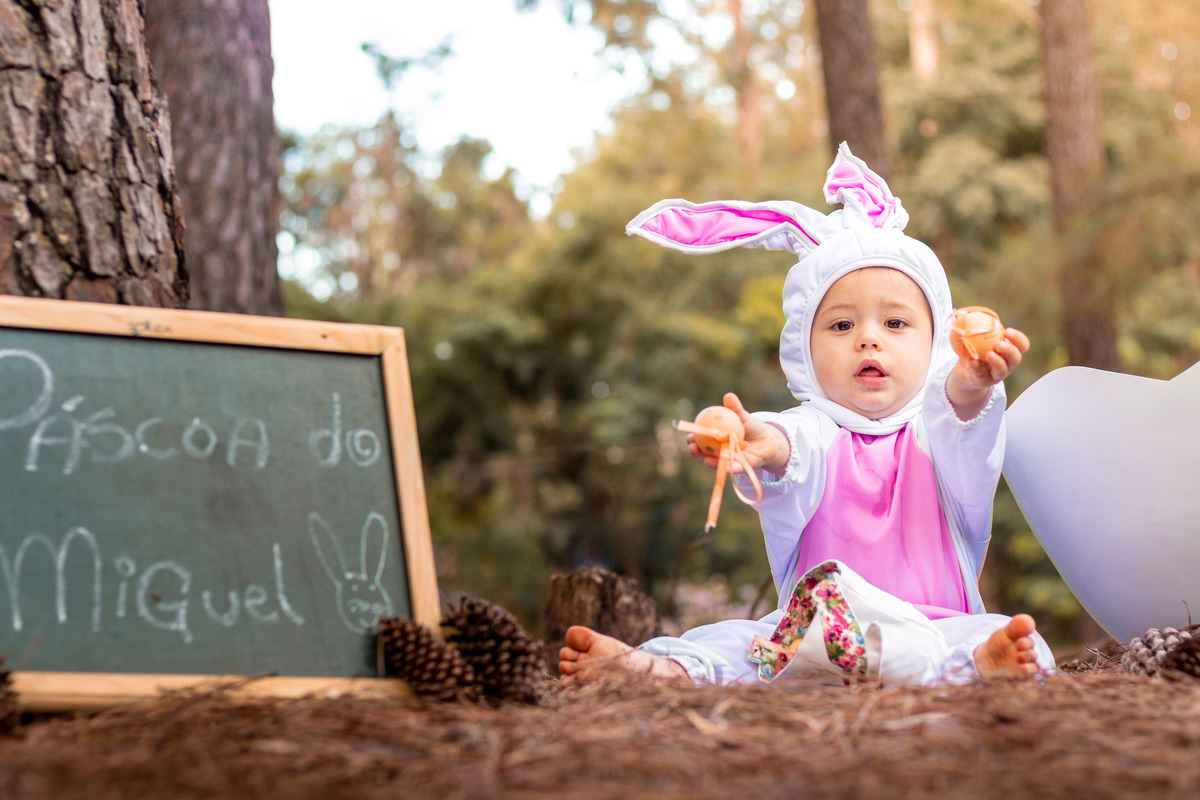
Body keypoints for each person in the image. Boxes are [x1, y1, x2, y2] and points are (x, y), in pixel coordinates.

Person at [559, 144, 1054, 688]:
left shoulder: (935, 433)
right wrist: (746, 437)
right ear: (803, 349)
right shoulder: (816, 431)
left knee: (1009, 635)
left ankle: (975, 666)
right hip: (818, 638)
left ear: (936, 338)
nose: (868, 337)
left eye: (895, 323)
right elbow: (784, 448)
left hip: (938, 629)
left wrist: (971, 381)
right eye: (841, 326)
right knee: (739, 643)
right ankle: (661, 670)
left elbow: (961, 421)